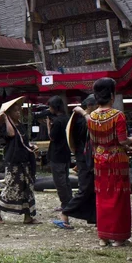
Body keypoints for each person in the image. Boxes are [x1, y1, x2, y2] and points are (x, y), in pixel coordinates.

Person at [85, 78, 132, 246]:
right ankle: (118, 238)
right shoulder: (118, 116)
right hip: (116, 160)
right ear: (112, 95)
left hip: (100, 159)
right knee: (118, 196)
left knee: (103, 195)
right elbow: (122, 141)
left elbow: (93, 142)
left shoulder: (91, 117)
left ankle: (104, 237)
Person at [0, 97, 40, 225]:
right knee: (12, 187)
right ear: (9, 113)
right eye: (15, 111)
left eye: (19, 110)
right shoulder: (6, 127)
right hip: (13, 162)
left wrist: (32, 147)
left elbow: (24, 141)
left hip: (25, 160)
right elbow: (11, 134)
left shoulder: (21, 126)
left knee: (26, 188)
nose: (18, 113)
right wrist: (6, 118)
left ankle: (27, 216)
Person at [55, 94, 98, 229]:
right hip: (84, 159)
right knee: (84, 189)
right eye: (96, 106)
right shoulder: (82, 120)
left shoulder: (83, 118)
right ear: (90, 106)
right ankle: (65, 214)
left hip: (86, 159)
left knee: (92, 189)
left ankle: (95, 218)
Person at [46, 96, 72, 211]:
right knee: (66, 180)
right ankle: (69, 202)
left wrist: (48, 125)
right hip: (66, 152)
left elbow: (52, 137)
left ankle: (65, 204)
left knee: (59, 182)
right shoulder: (67, 118)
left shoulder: (57, 121)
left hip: (57, 154)